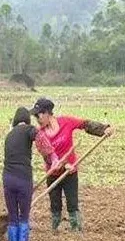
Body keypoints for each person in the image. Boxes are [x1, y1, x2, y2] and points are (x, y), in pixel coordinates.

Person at [30, 97, 114, 232]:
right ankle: (54, 229)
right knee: (55, 204)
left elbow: (85, 124)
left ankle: (76, 229)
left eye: (38, 115)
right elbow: (47, 156)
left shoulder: (66, 122)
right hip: (53, 173)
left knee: (72, 202)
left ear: (47, 113)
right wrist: (62, 165)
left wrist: (104, 129)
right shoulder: (40, 133)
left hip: (71, 173)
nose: (37, 119)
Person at [3, 107, 59, 241]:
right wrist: (52, 158)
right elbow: (41, 140)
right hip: (23, 178)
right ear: (27, 120)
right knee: (24, 214)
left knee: (13, 214)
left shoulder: (9, 135)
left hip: (8, 178)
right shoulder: (29, 129)